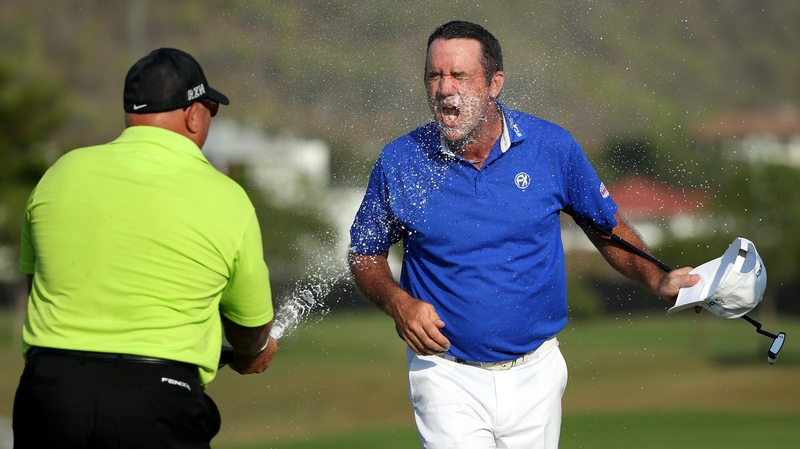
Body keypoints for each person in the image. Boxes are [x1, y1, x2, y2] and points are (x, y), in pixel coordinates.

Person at [348, 21, 699, 448]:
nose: (444, 88)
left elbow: (607, 228)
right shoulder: (401, 161)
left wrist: (658, 279)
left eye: (459, 75)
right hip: (444, 374)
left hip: (537, 374)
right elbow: (364, 253)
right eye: (434, 75)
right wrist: (398, 303)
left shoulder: (551, 147)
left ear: (494, 83)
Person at [13, 47, 278, 448]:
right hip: (157, 398)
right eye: (211, 109)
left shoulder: (60, 174)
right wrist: (253, 351)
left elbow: (39, 286)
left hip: (50, 391)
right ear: (193, 114)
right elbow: (250, 326)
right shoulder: (226, 197)